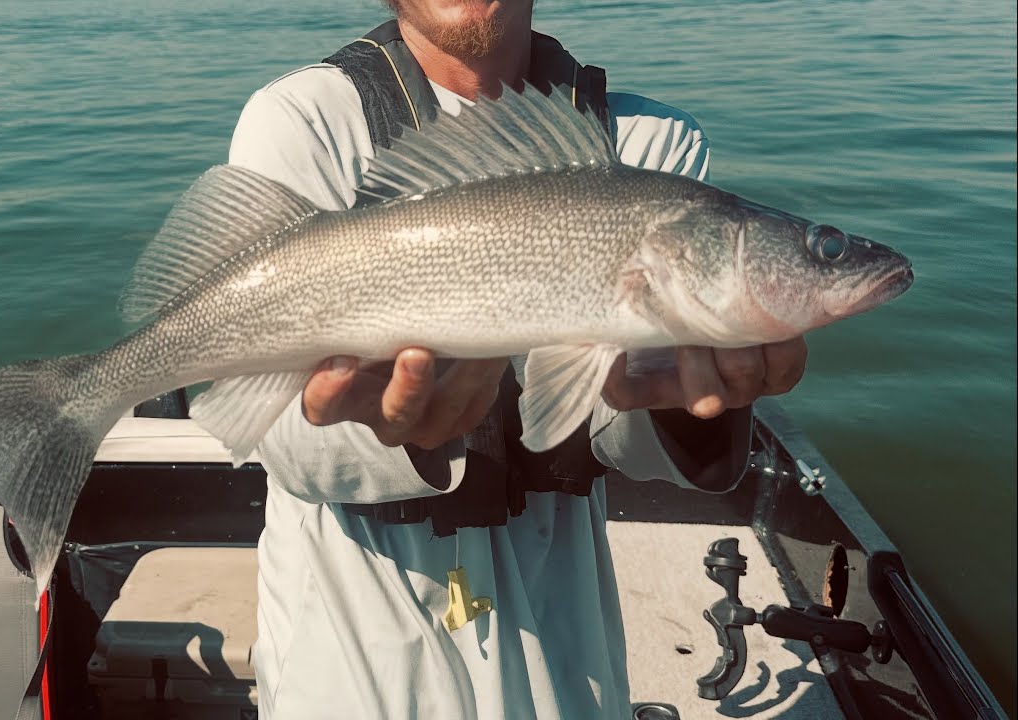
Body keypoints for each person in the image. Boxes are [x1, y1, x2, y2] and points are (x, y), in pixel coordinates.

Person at [226, 1, 809, 717]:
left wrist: (689, 404)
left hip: (563, 636)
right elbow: (281, 438)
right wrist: (393, 427)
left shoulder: (650, 143)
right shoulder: (304, 119)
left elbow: (619, 433)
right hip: (354, 646)